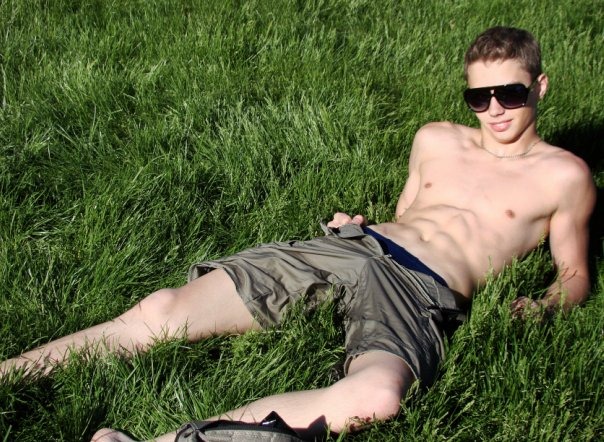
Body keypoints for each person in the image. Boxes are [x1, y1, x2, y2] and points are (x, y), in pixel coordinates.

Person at [0, 26, 596, 442]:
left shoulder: (564, 176)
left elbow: (574, 276)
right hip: (358, 247)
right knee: (163, 309)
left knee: (377, 397)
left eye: (509, 93)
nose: (494, 109)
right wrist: (359, 227)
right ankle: (13, 371)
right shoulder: (434, 138)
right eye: (478, 96)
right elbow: (410, 212)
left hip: (421, 290)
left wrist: (543, 304)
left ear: (540, 86)